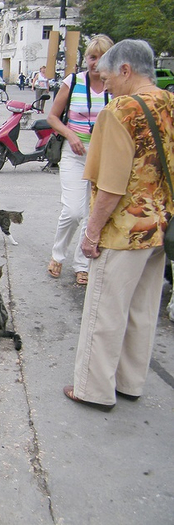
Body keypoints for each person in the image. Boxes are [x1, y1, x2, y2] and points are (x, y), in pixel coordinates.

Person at [64, 39, 174, 410]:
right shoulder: (169, 102)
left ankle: (93, 389)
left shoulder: (119, 111)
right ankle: (130, 382)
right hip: (159, 226)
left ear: (126, 70)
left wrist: (91, 232)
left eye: (107, 75)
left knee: (104, 311)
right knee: (143, 310)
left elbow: (111, 184)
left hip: (124, 231)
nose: (104, 83)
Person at [46, 35, 114, 285]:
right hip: (75, 154)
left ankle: (82, 264)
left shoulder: (114, 86)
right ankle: (57, 254)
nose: (95, 63)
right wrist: (70, 134)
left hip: (103, 157)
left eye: (101, 58)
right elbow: (53, 116)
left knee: (94, 212)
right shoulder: (73, 82)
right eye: (92, 57)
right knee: (73, 210)